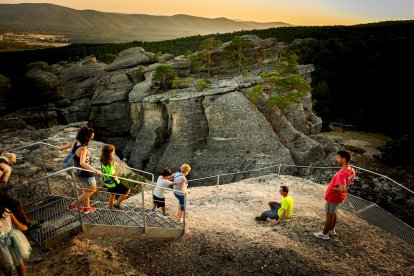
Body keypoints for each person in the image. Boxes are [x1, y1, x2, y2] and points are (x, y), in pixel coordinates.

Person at [59, 126, 102, 214]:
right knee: (92, 190)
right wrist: (96, 171)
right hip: (86, 173)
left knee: (86, 190)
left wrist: (66, 151)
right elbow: (83, 163)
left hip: (77, 172)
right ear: (86, 137)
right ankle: (73, 205)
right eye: (91, 138)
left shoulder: (74, 143)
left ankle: (87, 207)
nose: (91, 140)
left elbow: (61, 148)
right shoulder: (83, 148)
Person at [314, 150, 356, 240]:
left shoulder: (341, 172)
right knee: (334, 213)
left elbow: (341, 188)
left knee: (329, 214)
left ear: (344, 159)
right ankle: (332, 230)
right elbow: (349, 181)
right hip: (341, 197)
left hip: (333, 196)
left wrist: (334, 189)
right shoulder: (352, 170)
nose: (337, 159)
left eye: (338, 157)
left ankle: (325, 234)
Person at [0, 204, 31, 276]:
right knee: (19, 260)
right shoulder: (7, 211)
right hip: (14, 239)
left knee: (7, 266)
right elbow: (19, 225)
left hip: (1, 247)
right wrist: (27, 227)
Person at [100, 144, 130, 210]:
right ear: (109, 153)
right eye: (113, 151)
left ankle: (111, 207)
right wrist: (120, 166)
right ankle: (117, 204)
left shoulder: (103, 161)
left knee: (113, 194)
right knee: (127, 190)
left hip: (107, 182)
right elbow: (114, 175)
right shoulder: (108, 164)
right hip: (114, 182)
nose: (114, 152)